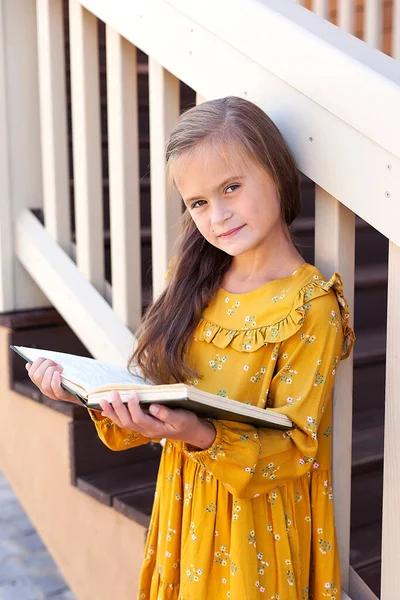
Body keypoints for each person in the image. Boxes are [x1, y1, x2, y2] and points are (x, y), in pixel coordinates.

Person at [26, 96, 355, 600]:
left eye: (231, 188)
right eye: (198, 202)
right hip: (185, 507)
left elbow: (296, 452)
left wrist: (201, 434)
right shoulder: (194, 284)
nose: (217, 215)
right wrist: (86, 397)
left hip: (255, 530)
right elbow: (162, 401)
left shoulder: (309, 305)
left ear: (274, 171)